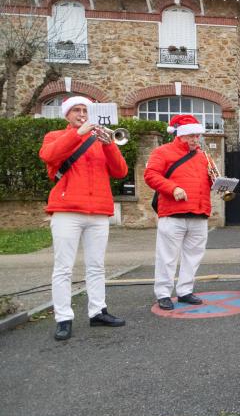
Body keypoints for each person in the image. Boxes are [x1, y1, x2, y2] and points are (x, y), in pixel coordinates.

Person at [39, 96, 128, 341]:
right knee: (63, 268)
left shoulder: (100, 139)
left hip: (98, 211)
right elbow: (48, 155)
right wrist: (79, 133)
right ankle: (63, 318)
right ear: (67, 115)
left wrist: (109, 143)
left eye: (86, 110)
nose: (82, 113)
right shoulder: (55, 136)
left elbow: (120, 171)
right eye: (76, 110)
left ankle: (98, 311)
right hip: (67, 210)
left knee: (97, 266)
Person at [144, 114, 211, 311]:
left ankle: (185, 290)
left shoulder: (203, 156)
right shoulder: (162, 152)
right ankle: (163, 293)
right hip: (173, 212)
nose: (195, 139)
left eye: (197, 136)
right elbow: (150, 175)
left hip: (199, 211)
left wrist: (218, 183)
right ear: (180, 135)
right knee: (167, 256)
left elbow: (205, 181)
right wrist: (172, 188)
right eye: (190, 135)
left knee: (194, 255)